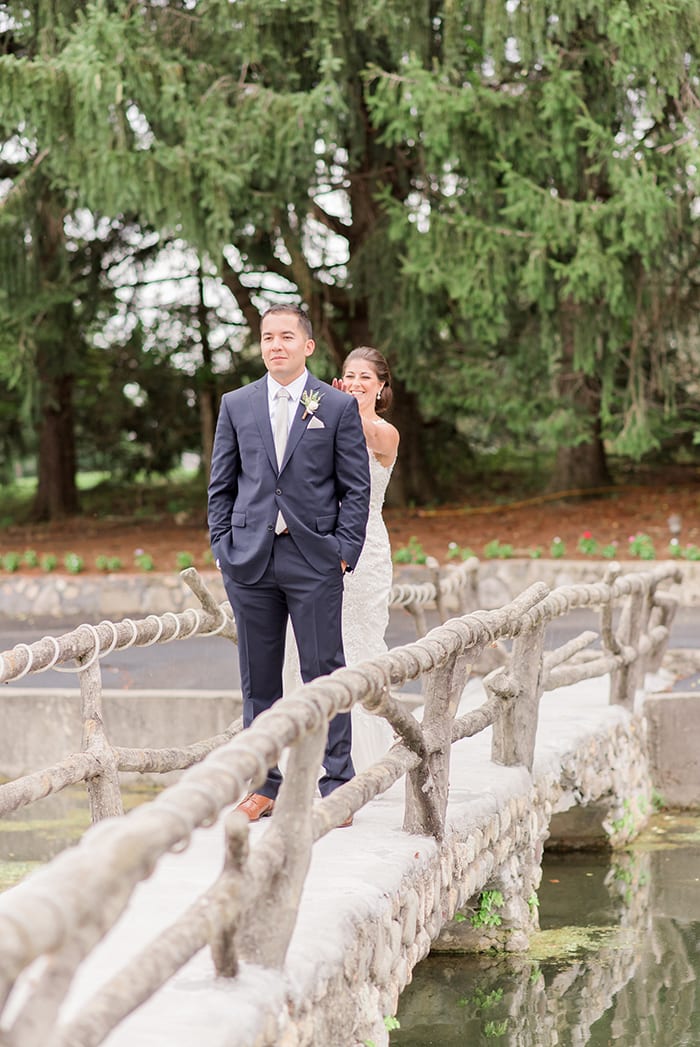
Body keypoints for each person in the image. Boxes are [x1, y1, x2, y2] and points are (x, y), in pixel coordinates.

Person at [207, 305, 370, 822]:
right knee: (259, 680)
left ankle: (337, 781)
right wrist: (223, 548)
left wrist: (343, 551)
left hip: (313, 557)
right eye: (266, 337)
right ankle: (265, 786)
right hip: (250, 561)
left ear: (308, 346)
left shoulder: (336, 406)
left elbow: (355, 488)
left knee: (326, 671)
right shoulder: (237, 404)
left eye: (285, 336)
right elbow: (221, 484)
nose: (274, 344)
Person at [283, 346, 400, 771]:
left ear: (382, 387)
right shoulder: (333, 415)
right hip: (319, 544)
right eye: (349, 376)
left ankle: (359, 758)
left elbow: (355, 436)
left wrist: (330, 411)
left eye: (365, 378)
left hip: (364, 551)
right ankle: (306, 753)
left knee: (357, 644)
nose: (354, 383)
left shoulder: (382, 432)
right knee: (307, 645)